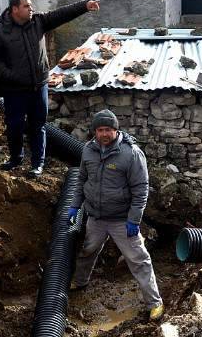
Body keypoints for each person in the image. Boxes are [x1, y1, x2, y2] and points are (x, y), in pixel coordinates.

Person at [0, 0, 100, 178]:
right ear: (15, 9)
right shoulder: (0, 31)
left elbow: (61, 14)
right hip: (14, 90)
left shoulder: (38, 22)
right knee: (14, 125)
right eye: (26, 6)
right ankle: (15, 159)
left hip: (38, 87)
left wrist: (84, 5)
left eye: (31, 6)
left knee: (38, 126)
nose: (31, 9)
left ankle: (37, 163)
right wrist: (10, 75)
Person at [68, 109, 164, 321]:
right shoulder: (88, 150)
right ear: (95, 131)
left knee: (139, 260)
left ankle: (155, 303)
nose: (104, 134)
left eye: (108, 130)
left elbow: (141, 189)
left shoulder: (131, 153)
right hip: (96, 218)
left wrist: (134, 220)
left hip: (122, 220)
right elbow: (81, 180)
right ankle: (81, 281)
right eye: (100, 130)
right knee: (88, 250)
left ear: (116, 130)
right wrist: (75, 206)